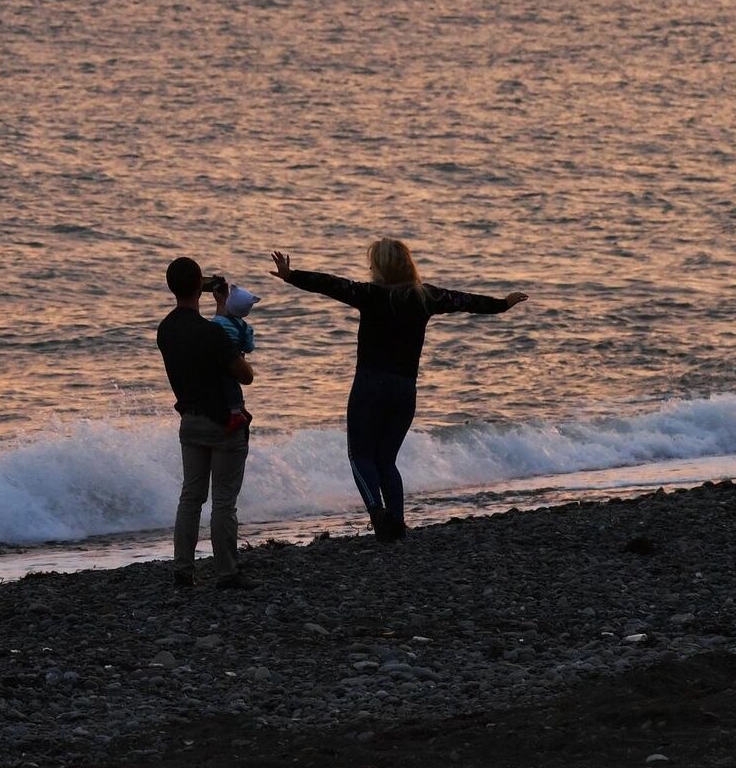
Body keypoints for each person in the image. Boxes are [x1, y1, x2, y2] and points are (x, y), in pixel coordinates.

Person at [268, 240, 526, 543]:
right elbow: (465, 301)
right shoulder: (425, 296)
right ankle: (398, 525)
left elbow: (331, 285)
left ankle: (377, 513)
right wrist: (502, 304)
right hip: (405, 389)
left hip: (369, 385)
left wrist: (292, 275)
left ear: (380, 267)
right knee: (386, 460)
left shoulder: (369, 294)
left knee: (360, 456)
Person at [157, 256, 261, 589]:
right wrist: (227, 317)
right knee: (223, 502)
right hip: (224, 424)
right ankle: (227, 572)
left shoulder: (166, 330)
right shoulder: (213, 334)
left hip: (190, 421)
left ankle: (183, 569)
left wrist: (219, 316)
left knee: (190, 497)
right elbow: (245, 377)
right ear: (199, 287)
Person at [209, 283, 260, 431]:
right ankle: (240, 410)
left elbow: (213, 333)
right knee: (233, 384)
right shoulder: (246, 328)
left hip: (220, 359)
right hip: (237, 360)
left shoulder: (218, 322)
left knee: (226, 383)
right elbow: (249, 348)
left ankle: (236, 414)